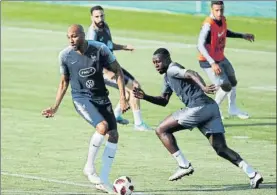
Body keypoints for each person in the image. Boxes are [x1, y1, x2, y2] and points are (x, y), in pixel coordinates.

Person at [133, 48, 263, 188]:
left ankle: (184, 165)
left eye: (158, 61)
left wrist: (204, 87)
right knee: (220, 148)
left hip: (198, 107)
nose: (156, 65)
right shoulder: (167, 77)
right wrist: (145, 97)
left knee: (161, 130)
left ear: (167, 58)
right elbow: (164, 100)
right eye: (154, 63)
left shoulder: (172, 68)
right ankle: (252, 174)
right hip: (211, 108)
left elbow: (191, 73)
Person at [41, 24, 129, 194]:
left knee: (114, 135)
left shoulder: (100, 49)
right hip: (81, 98)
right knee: (102, 127)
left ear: (82, 35)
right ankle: (89, 168)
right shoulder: (65, 56)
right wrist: (55, 107)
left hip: (101, 97)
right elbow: (64, 82)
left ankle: (103, 179)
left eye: (74, 36)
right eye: (68, 37)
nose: (71, 40)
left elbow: (118, 71)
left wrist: (123, 98)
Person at [86, 5, 151, 131]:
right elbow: (91, 57)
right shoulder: (92, 34)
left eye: (102, 15)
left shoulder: (105, 26)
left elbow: (109, 45)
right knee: (134, 88)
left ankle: (116, 116)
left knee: (132, 88)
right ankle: (138, 124)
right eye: (97, 17)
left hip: (113, 65)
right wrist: (105, 72)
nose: (100, 19)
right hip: (103, 71)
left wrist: (124, 47)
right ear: (91, 18)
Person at [197, 1, 255, 119]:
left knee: (233, 81)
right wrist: (212, 63)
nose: (219, 13)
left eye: (221, 10)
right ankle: (213, 111)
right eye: (216, 10)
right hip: (208, 61)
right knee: (225, 86)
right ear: (211, 10)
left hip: (220, 57)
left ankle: (232, 108)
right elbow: (200, 45)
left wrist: (242, 35)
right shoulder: (208, 25)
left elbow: (223, 32)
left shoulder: (222, 19)